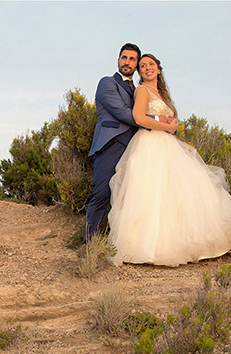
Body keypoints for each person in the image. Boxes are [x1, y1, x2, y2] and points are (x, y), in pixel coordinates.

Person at [107, 53, 231, 267]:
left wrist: (172, 126)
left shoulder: (161, 94)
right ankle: (146, 248)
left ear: (159, 69)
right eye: (142, 66)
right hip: (149, 144)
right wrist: (168, 126)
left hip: (166, 145)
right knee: (151, 193)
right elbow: (139, 118)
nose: (147, 68)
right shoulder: (142, 90)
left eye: (151, 64)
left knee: (176, 194)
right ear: (139, 73)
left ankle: (182, 244)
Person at [85, 43, 177, 242]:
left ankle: (131, 241)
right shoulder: (107, 83)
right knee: (102, 193)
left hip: (139, 147)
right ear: (118, 60)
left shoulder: (138, 89)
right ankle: (89, 242)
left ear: (136, 65)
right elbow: (123, 113)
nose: (127, 62)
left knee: (136, 195)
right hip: (113, 143)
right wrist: (161, 121)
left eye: (132, 59)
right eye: (124, 58)